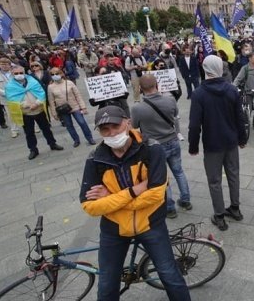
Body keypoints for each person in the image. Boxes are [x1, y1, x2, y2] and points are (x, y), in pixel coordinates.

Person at [79, 106, 191, 301]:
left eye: (116, 126)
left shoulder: (151, 149)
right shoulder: (95, 159)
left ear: (128, 122)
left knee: (169, 275)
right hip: (114, 230)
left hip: (150, 224)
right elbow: (89, 206)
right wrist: (133, 191)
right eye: (105, 129)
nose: (112, 133)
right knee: (107, 285)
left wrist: (110, 198)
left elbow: (156, 194)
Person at [188, 55, 247, 231]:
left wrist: (193, 146)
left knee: (214, 181)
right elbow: (240, 117)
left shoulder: (199, 93)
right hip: (230, 142)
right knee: (234, 175)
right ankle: (235, 208)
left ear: (205, 69)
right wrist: (242, 139)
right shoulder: (232, 90)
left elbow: (194, 124)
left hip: (212, 144)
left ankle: (220, 215)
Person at [132, 74, 192, 219]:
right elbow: (175, 115)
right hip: (172, 140)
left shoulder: (137, 108)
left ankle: (170, 208)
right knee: (179, 171)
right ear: (156, 84)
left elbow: (134, 126)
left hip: (155, 147)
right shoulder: (170, 99)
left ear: (140, 89)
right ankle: (186, 201)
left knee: (162, 177)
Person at [5, 66, 64, 160]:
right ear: (12, 74)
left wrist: (37, 103)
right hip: (26, 112)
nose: (19, 75)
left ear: (24, 73)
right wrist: (27, 105)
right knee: (29, 133)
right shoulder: (10, 86)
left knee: (46, 129)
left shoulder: (32, 81)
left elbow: (41, 93)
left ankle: (52, 144)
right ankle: (33, 150)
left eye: (21, 73)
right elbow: (12, 100)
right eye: (16, 74)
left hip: (39, 109)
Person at [47, 67, 96, 148]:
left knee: (82, 122)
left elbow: (78, 95)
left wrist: (83, 107)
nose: (55, 75)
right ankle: (76, 140)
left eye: (56, 73)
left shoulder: (69, 83)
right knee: (69, 125)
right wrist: (54, 113)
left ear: (61, 74)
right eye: (52, 74)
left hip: (74, 106)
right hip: (62, 109)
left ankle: (89, 138)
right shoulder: (50, 87)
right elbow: (51, 101)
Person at [233, 52, 254, 131]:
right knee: (248, 109)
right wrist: (233, 87)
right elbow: (238, 78)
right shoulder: (245, 68)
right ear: (250, 59)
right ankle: (246, 123)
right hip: (248, 92)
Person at [0, 57, 20, 138]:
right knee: (11, 115)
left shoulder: (15, 72)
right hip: (6, 98)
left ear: (10, 65)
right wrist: (5, 93)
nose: (4, 66)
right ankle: (14, 130)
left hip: (19, 96)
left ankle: (32, 127)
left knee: (25, 112)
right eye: (2, 64)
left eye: (6, 64)